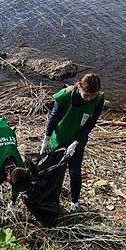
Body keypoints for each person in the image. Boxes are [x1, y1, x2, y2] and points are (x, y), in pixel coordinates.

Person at [40, 73, 105, 212]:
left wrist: (76, 142)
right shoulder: (66, 95)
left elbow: (91, 123)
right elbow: (53, 117)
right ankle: (50, 198)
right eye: (86, 95)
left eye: (92, 96)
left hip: (78, 138)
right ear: (79, 86)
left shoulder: (99, 98)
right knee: (54, 170)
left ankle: (74, 202)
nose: (89, 99)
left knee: (75, 172)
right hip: (59, 138)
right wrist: (46, 139)